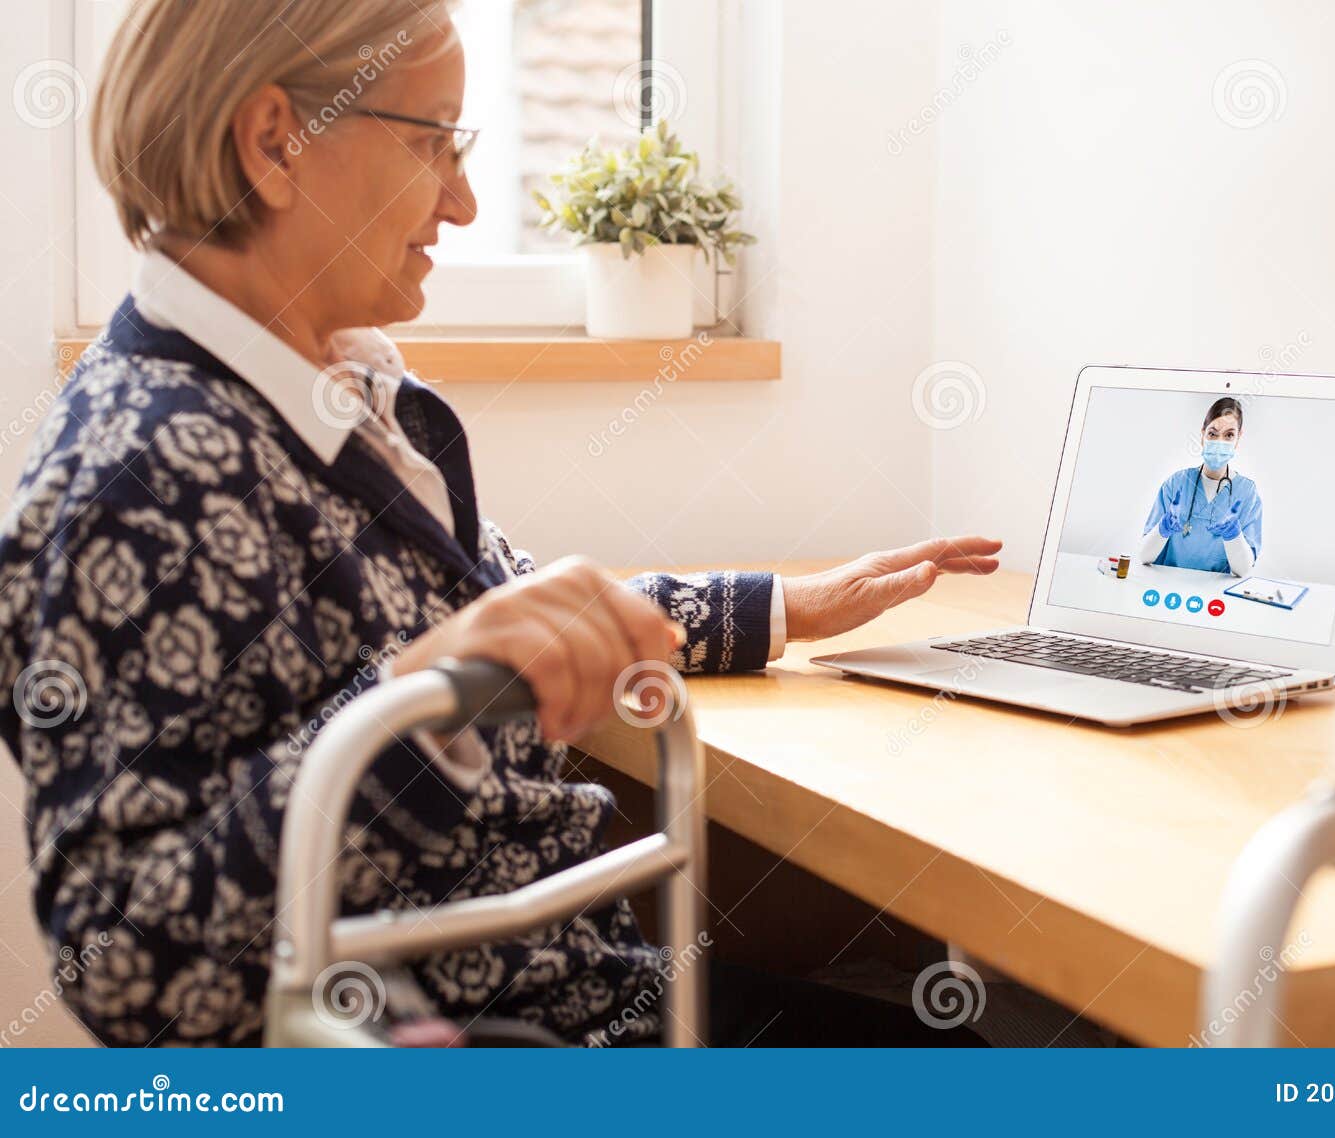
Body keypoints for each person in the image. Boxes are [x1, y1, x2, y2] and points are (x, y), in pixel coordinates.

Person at [0, 0, 1000, 1047]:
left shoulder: (337, 394)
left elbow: (508, 616)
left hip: (590, 991)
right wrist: (418, 715)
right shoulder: (140, 475)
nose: (467, 203)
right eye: (434, 142)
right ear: (274, 142)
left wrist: (786, 603)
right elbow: (126, 970)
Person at [1136, 397, 1262, 576]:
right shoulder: (1177, 484)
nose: (1220, 442)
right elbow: (1144, 556)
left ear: (1238, 438)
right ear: (1202, 435)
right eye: (1212, 433)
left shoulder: (1246, 492)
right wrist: (1162, 529)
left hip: (1214, 596)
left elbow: (1243, 570)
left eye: (1229, 435)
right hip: (1168, 588)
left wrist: (1234, 536)